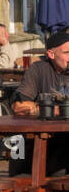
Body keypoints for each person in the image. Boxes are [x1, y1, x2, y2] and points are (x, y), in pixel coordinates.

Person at [9, 30, 69, 176]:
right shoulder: (38, 69)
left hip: (65, 140)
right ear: (51, 54)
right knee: (16, 141)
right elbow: (18, 106)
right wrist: (51, 109)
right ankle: (18, 183)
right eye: (67, 52)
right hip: (41, 137)